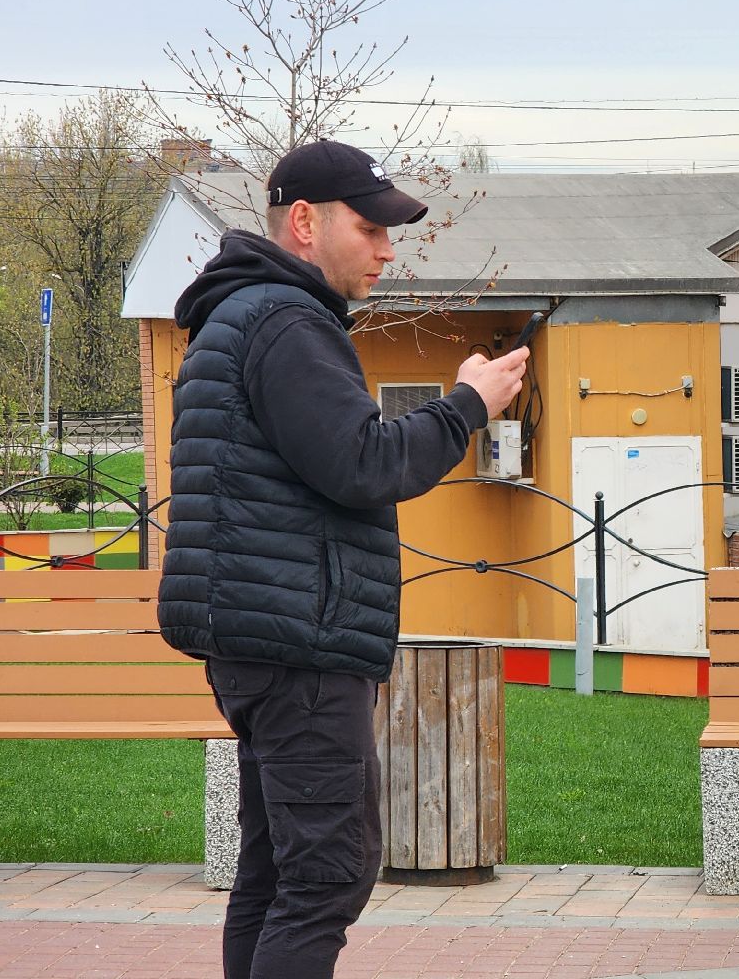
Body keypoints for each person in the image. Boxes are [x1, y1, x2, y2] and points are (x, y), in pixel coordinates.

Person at [156, 140, 528, 979]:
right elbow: (366, 465)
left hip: (263, 635)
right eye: (371, 229)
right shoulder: (285, 323)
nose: (387, 250)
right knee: (327, 876)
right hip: (299, 645)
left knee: (276, 873)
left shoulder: (247, 313)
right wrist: (467, 405)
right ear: (304, 223)